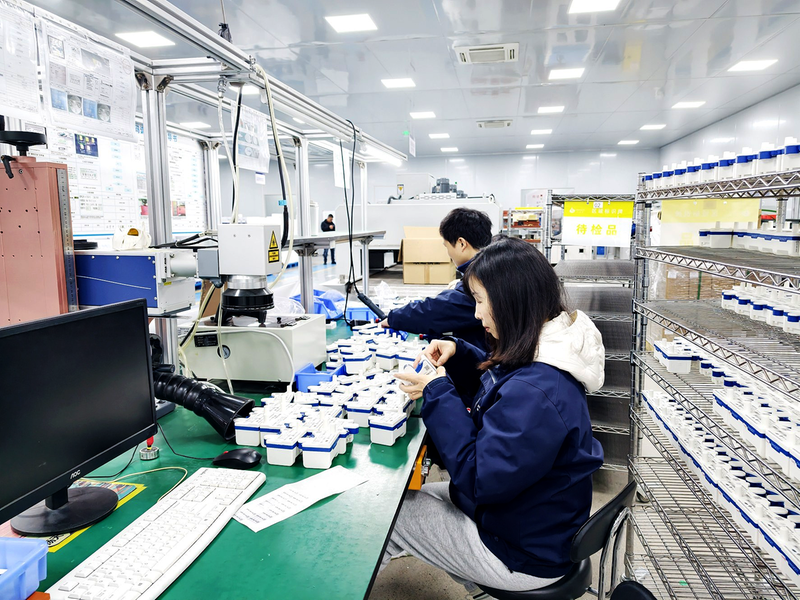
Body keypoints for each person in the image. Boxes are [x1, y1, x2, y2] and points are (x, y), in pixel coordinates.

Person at [388, 236, 605, 596]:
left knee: (388, 516)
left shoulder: (538, 392)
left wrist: (437, 392)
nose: (476, 314)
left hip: (521, 552)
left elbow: (478, 479)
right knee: (417, 498)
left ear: (510, 301)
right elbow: (503, 387)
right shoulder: (547, 350)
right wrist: (459, 353)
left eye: (480, 300)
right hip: (533, 519)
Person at [380, 207, 492, 350]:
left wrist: (394, 318)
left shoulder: (480, 281)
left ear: (462, 243)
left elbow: (438, 310)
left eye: (447, 246)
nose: (448, 253)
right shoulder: (492, 264)